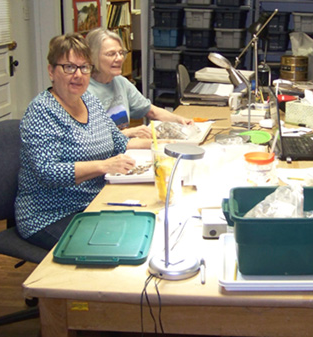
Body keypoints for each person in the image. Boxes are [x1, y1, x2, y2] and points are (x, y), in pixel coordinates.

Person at [15, 33, 152, 250]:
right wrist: (104, 166)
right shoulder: (42, 111)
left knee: (145, 223)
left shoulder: (89, 100)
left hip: (94, 201)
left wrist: (161, 143)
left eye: (84, 67)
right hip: (52, 215)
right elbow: (47, 172)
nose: (78, 75)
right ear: (51, 71)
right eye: (69, 67)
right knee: (117, 246)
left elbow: (118, 141)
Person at [85, 28, 193, 138]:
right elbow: (91, 139)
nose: (119, 59)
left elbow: (150, 111)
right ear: (93, 57)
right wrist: (130, 133)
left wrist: (179, 120)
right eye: (111, 54)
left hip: (126, 148)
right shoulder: (84, 90)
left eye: (121, 53)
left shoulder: (120, 82)